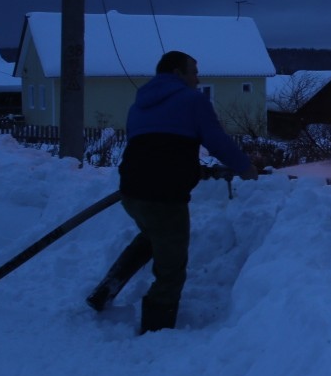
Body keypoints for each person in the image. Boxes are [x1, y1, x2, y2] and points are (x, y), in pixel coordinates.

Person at [86, 50, 258, 333]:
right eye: (193, 71)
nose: (197, 77)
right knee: (171, 266)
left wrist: (195, 171)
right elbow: (216, 140)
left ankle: (106, 289)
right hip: (164, 196)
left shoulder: (139, 105)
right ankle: (155, 328)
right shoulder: (193, 100)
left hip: (131, 190)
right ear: (178, 73)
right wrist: (245, 167)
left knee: (153, 236)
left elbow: (155, 150)